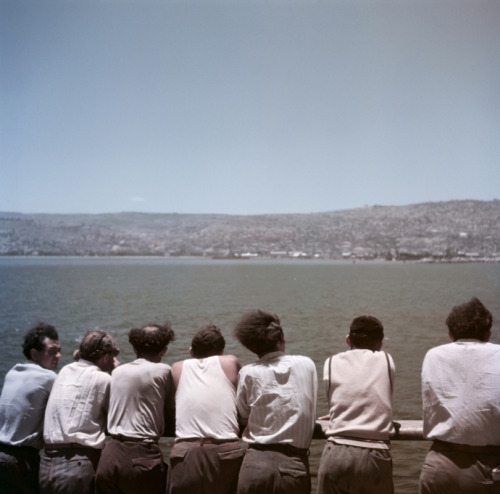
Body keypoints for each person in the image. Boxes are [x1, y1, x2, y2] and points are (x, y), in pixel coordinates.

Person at [419, 297, 500, 494]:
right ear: (488, 333)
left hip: (438, 465)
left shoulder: (433, 355)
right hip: (488, 467)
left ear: (450, 333)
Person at [234, 310, 318, 494]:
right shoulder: (306, 364)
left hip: (254, 464)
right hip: (292, 465)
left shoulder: (248, 372)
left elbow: (242, 415)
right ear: (281, 339)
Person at [316, 315, 395, 494]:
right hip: (374, 453)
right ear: (380, 344)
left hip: (336, 452)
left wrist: (343, 410)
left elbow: (334, 398)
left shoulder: (330, 362)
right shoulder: (386, 360)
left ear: (348, 339)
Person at [95, 322, 176, 494]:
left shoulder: (117, 372)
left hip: (110, 454)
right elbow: (170, 409)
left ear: (134, 349)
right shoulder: (163, 371)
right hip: (142, 456)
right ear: (164, 350)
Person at [39, 329, 120, 494]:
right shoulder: (104, 379)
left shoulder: (64, 371)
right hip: (77, 463)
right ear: (105, 357)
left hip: (47, 462)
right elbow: (118, 415)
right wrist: (117, 372)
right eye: (113, 354)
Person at [168, 324, 243, 494]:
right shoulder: (230, 362)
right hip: (224, 451)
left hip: (185, 452)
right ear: (222, 351)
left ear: (191, 351)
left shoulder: (177, 368)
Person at [0, 322, 61, 494]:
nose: (59, 355)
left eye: (59, 350)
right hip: (21, 460)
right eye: (52, 351)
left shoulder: (12, 372)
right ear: (35, 353)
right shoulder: (49, 378)